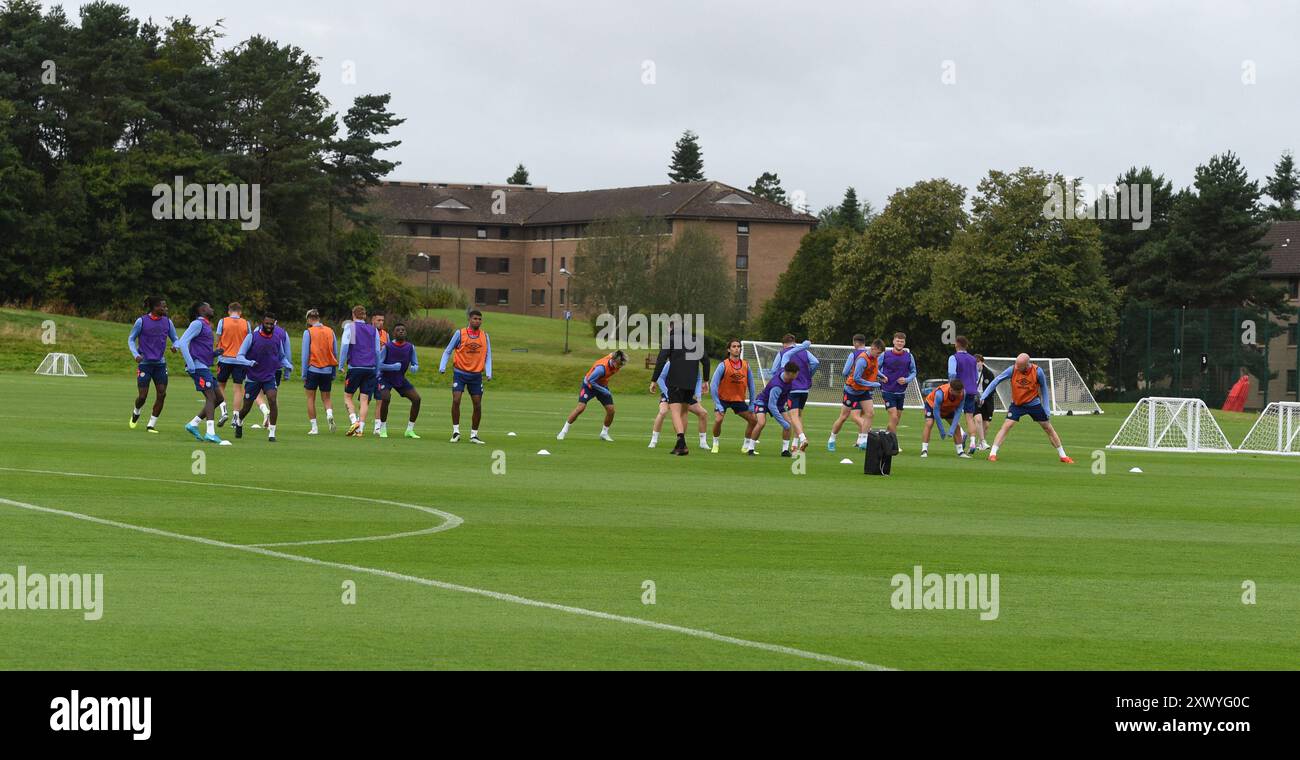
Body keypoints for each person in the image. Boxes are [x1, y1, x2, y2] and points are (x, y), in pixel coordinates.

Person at [979, 353, 1074, 463]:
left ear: (1027, 365)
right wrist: (984, 395)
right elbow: (997, 380)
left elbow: (1043, 388)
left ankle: (1063, 456)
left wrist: (1047, 408)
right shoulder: (1012, 369)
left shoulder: (1037, 371)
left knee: (1048, 427)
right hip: (1017, 405)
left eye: (1019, 366)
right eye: (1016, 365)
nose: (1016, 367)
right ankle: (992, 454)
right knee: (1007, 425)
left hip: (1033, 404)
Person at [649, 320, 712, 456]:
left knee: (675, 412)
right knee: (684, 412)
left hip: (675, 382)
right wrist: (706, 380)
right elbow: (706, 361)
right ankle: (680, 444)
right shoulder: (696, 340)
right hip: (690, 383)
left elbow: (661, 360)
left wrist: (654, 380)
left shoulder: (670, 340)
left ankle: (681, 442)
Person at [231, 313, 292, 442]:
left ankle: (272, 432)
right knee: (246, 407)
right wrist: (249, 363)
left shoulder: (277, 339)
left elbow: (281, 356)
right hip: (253, 378)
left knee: (272, 399)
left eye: (271, 324)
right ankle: (240, 421)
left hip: (269, 376)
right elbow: (239, 356)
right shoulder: (252, 337)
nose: (269, 326)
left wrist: (287, 365)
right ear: (262, 323)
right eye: (267, 323)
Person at [174, 302, 226, 444]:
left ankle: (193, 424)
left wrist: (215, 353)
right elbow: (183, 342)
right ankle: (210, 433)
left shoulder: (206, 325)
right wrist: (190, 364)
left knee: (219, 398)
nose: (212, 308)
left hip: (203, 366)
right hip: (198, 367)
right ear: (202, 309)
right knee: (210, 397)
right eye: (209, 306)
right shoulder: (197, 324)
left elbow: (201, 349)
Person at [439, 309, 492, 444]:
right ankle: (456, 431)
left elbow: (488, 356)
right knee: (456, 400)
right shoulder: (460, 333)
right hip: (460, 373)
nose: (477, 321)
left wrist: (488, 372)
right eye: (475, 318)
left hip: (476, 375)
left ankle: (474, 435)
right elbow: (448, 351)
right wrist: (442, 366)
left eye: (479, 319)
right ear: (469, 319)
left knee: (477, 404)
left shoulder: (485, 336)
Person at [127, 296, 178, 433]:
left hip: (160, 364)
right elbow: (131, 339)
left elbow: (176, 339)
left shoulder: (168, 322)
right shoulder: (141, 321)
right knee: (142, 397)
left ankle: (151, 425)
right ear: (155, 307)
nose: (166, 309)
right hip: (145, 364)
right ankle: (136, 411)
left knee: (162, 394)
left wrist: (175, 346)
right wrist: (135, 354)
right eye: (163, 306)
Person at [557, 350, 628, 441]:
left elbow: (615, 353)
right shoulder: (601, 368)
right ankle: (563, 431)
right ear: (613, 361)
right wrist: (604, 391)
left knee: (611, 410)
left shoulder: (615, 360)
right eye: (619, 364)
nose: (620, 367)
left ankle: (604, 433)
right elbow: (591, 380)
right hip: (589, 386)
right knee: (580, 408)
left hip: (602, 385)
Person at [829, 337, 883, 451]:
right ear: (873, 348)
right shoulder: (862, 359)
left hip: (863, 391)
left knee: (870, 413)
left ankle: (863, 440)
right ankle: (832, 439)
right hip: (851, 390)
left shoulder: (874, 357)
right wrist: (873, 384)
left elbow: (874, 369)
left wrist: (882, 376)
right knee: (844, 417)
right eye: (878, 353)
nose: (878, 356)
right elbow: (856, 378)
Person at [339, 305, 382, 437]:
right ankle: (360, 430)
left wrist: (341, 364)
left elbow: (345, 345)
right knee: (364, 399)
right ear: (364, 316)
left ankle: (354, 421)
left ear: (353, 314)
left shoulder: (350, 327)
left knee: (347, 396)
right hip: (370, 368)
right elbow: (377, 351)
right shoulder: (373, 329)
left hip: (355, 366)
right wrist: (377, 368)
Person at [647, 359, 710, 450]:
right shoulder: (672, 362)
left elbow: (698, 378)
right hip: (670, 393)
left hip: (686, 393)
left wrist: (698, 395)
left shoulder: (694, 363)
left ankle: (702, 442)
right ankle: (653, 440)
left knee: (703, 413)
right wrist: (668, 393)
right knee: (663, 412)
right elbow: (660, 378)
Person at [771, 333, 818, 451]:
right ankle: (795, 444)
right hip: (805, 389)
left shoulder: (783, 353)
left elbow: (773, 370)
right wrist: (808, 376)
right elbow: (815, 362)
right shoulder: (805, 352)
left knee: (793, 416)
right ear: (794, 342)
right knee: (799, 415)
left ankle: (803, 438)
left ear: (784, 344)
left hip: (792, 389)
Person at [709, 339, 757, 454]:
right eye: (734, 346)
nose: (736, 348)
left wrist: (752, 403)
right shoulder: (723, 365)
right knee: (719, 419)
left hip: (738, 399)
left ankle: (745, 446)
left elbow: (752, 385)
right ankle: (715, 443)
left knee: (753, 420)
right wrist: (717, 403)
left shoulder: (746, 365)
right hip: (723, 399)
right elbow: (713, 385)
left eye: (738, 346)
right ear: (729, 349)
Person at [377, 322, 421, 439]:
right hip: (385, 378)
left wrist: (415, 368)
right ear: (394, 333)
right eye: (398, 330)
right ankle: (382, 428)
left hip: (400, 378)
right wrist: (391, 367)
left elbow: (415, 363)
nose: (401, 331)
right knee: (386, 398)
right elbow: (378, 365)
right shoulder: (387, 347)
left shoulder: (410, 347)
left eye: (403, 330)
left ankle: (409, 430)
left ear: (406, 333)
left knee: (416, 399)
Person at [749, 359, 802, 457]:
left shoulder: (785, 372)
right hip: (763, 402)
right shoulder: (777, 386)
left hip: (778, 404)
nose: (797, 376)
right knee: (761, 423)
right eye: (796, 374)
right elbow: (771, 406)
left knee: (789, 424)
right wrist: (782, 422)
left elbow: (786, 355)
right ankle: (750, 448)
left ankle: (785, 451)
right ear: (790, 373)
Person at [301, 309, 339, 435]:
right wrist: (333, 371)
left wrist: (304, 373)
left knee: (310, 398)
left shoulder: (308, 332)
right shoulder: (330, 331)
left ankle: (314, 427)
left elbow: (305, 355)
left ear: (309, 319)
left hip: (313, 369)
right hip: (327, 370)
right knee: (326, 398)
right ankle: (329, 414)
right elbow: (334, 352)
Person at [877, 332, 917, 450]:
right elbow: (875, 368)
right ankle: (894, 445)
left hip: (901, 392)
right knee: (893, 417)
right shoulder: (885, 355)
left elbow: (913, 372)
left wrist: (907, 379)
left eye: (902, 341)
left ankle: (882, 438)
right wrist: (881, 377)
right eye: (898, 341)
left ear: (904, 343)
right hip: (887, 390)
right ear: (893, 341)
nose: (900, 343)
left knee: (896, 420)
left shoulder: (909, 356)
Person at [213, 302, 251, 427]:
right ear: (240, 312)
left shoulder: (222, 321)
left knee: (220, 386)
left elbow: (218, 339)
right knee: (238, 389)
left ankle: (224, 411)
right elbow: (250, 341)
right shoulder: (246, 323)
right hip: (240, 360)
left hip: (224, 359)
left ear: (229, 311)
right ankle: (236, 417)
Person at [250, 319, 291, 429]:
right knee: (273, 395)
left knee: (256, 393)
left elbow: (252, 347)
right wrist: (287, 372)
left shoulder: (258, 330)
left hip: (260, 367)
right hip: (276, 368)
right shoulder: (283, 332)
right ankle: (271, 422)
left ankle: (265, 410)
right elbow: (286, 354)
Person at [947, 336, 981, 456]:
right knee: (969, 417)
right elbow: (976, 376)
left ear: (956, 344)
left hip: (959, 390)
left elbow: (952, 373)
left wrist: (951, 386)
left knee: (951, 414)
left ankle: (961, 432)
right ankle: (972, 442)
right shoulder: (973, 359)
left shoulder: (953, 357)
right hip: (972, 390)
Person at [920, 378, 967, 458]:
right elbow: (936, 413)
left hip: (948, 407)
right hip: (932, 405)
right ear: (951, 390)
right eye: (958, 392)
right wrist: (941, 430)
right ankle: (924, 450)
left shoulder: (963, 393)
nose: (960, 393)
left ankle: (960, 451)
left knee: (957, 427)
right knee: (929, 423)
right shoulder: (940, 394)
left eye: (961, 391)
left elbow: (958, 411)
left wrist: (952, 429)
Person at [972, 354, 997, 451]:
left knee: (986, 424)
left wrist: (984, 398)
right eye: (975, 362)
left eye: (978, 362)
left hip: (987, 400)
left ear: (982, 362)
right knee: (978, 419)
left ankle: (980, 443)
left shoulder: (989, 374)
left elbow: (992, 389)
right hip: (974, 399)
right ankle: (983, 441)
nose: (977, 364)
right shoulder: (970, 373)